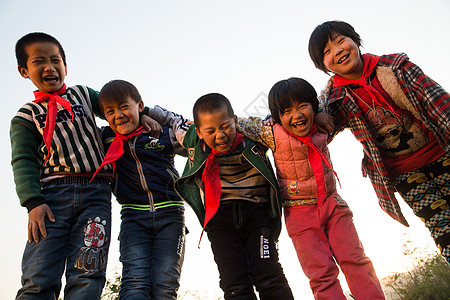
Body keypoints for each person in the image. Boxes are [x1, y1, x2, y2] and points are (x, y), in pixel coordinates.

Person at [308, 20, 450, 264]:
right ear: (323, 66)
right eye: (326, 52)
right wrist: (318, 111)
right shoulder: (337, 97)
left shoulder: (395, 67)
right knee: (444, 232)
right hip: (405, 175)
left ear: (356, 40)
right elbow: (321, 131)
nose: (337, 51)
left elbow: (439, 103)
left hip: (442, 153)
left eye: (341, 41)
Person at [237, 77, 385, 299]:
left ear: (313, 108)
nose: (296, 115)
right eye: (287, 111)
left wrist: (321, 108)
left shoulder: (321, 125)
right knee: (321, 274)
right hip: (300, 215)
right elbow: (238, 123)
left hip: (332, 204)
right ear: (277, 117)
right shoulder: (271, 133)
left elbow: (327, 91)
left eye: (302, 106)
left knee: (355, 260)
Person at [149, 94, 294, 299]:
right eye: (210, 131)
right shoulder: (193, 140)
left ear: (235, 120)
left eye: (226, 126)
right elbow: (173, 119)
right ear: (198, 132)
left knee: (268, 274)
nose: (220, 135)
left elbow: (281, 122)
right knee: (234, 282)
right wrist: (143, 111)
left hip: (257, 214)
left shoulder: (254, 135)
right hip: (220, 220)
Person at [11, 32, 113, 299]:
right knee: (39, 274)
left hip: (96, 195)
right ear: (24, 71)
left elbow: (117, 106)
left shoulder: (83, 95)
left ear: (65, 67)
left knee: (88, 272)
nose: (49, 67)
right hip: (51, 200)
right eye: (39, 61)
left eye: (56, 60)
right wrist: (33, 202)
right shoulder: (25, 116)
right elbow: (23, 160)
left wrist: (145, 115)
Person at [91, 79, 187, 299]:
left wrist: (151, 115)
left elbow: (191, 135)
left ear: (140, 106)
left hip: (171, 215)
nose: (119, 115)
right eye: (110, 111)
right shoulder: (105, 138)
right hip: (133, 217)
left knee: (165, 283)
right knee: (134, 283)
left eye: (125, 107)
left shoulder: (159, 132)